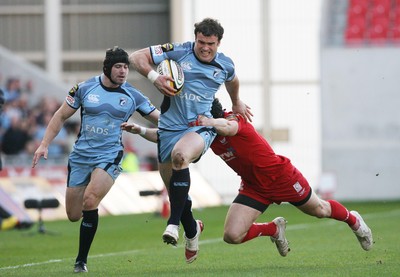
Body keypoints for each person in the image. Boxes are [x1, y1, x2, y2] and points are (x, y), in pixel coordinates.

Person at [122, 98, 373, 257]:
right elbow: (166, 136)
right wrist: (141, 130)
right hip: (254, 187)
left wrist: (208, 120)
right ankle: (273, 229)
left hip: (280, 177)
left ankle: (353, 220)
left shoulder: (233, 119)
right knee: (232, 236)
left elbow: (230, 127)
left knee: (320, 209)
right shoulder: (204, 133)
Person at [129, 17, 252, 263]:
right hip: (169, 127)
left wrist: (236, 101)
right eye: (201, 42)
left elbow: (233, 80)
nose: (205, 47)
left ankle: (173, 224)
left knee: (180, 157)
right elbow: (135, 57)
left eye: (210, 44)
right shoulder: (178, 51)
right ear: (195, 39)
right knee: (175, 190)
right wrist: (155, 78)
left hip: (199, 127)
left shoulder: (225, 64)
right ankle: (193, 229)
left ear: (219, 43)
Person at [32, 46, 160, 273]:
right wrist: (44, 144)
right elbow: (61, 115)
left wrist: (179, 122)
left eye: (126, 67)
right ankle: (88, 224)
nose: (123, 72)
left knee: (90, 201)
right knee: (73, 215)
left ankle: (81, 261)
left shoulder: (133, 95)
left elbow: (159, 119)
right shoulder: (84, 88)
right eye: (118, 67)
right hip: (81, 156)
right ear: (107, 68)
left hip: (109, 155)